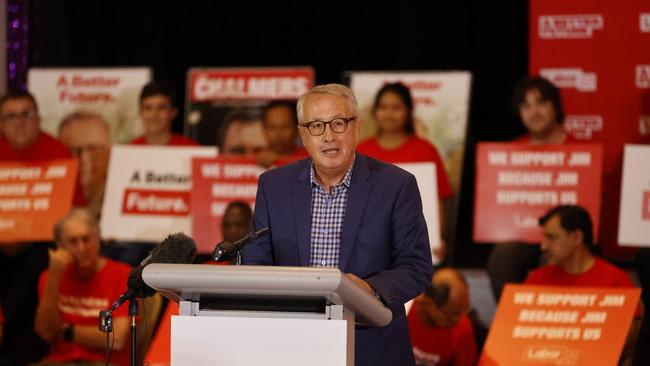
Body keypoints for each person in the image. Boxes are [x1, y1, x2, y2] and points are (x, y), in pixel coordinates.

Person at [243, 83, 434, 366]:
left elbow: (416, 267)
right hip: (291, 342)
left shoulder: (396, 185)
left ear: (357, 127)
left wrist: (368, 290)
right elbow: (256, 264)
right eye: (316, 126)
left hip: (371, 345)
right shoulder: (273, 186)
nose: (328, 136)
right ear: (303, 135)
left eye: (338, 123)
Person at [0, 90, 84, 365]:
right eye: (11, 116)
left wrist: (27, 233)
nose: (20, 122)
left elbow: (73, 213)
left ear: (39, 119)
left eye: (27, 114)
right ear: (1, 123)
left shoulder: (57, 152)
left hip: (41, 242)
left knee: (37, 266)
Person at [487, 76, 579, 300]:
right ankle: (513, 323)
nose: (534, 112)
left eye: (541, 103)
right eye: (526, 106)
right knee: (502, 257)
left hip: (565, 236)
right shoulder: (510, 152)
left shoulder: (581, 152)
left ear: (555, 107)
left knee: (558, 253)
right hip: (522, 236)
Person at [524, 205, 643, 365]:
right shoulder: (537, 279)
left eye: (551, 237)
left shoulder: (615, 281)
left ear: (576, 237)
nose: (543, 246)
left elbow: (627, 342)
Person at [356, 82, 452, 259]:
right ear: (375, 112)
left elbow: (437, 203)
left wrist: (436, 239)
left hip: (415, 248)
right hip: (368, 250)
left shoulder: (426, 150)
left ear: (408, 112)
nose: (389, 113)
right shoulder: (361, 151)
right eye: (383, 107)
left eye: (396, 107)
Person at [33, 208, 131, 366]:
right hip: (60, 362)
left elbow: (115, 338)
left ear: (98, 239)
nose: (82, 248)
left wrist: (67, 332)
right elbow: (46, 332)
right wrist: (54, 277)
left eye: (87, 239)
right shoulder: (50, 276)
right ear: (59, 245)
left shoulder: (122, 275)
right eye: (73, 242)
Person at [408, 268, 477, 366]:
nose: (458, 320)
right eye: (453, 314)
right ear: (428, 303)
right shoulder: (403, 313)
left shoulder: (463, 329)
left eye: (464, 310)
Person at [58, 111, 112, 219]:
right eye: (74, 151)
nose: (84, 159)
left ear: (110, 151)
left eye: (94, 149)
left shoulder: (121, 196)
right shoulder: (51, 197)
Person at [131, 81, 198, 146]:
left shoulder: (189, 148)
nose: (154, 114)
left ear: (173, 112)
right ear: (140, 112)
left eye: (161, 107)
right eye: (148, 108)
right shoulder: (130, 149)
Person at [255, 101, 308, 167]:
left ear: (297, 129)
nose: (278, 135)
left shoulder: (309, 158)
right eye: (272, 127)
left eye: (285, 127)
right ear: (264, 129)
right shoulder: (252, 157)